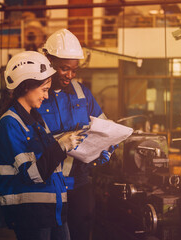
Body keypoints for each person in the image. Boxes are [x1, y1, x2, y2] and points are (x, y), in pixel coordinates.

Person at [0, 51, 85, 240]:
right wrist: (61, 146)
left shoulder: (36, 120)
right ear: (27, 86)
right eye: (43, 89)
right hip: (31, 215)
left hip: (53, 211)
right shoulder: (10, 124)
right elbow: (32, 174)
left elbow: (49, 161)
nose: (46, 96)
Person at [38, 29, 118, 240]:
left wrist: (106, 147)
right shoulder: (36, 96)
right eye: (64, 69)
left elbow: (104, 126)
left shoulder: (82, 93)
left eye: (74, 69)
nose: (70, 75)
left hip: (79, 183)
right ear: (49, 61)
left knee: (81, 232)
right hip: (47, 185)